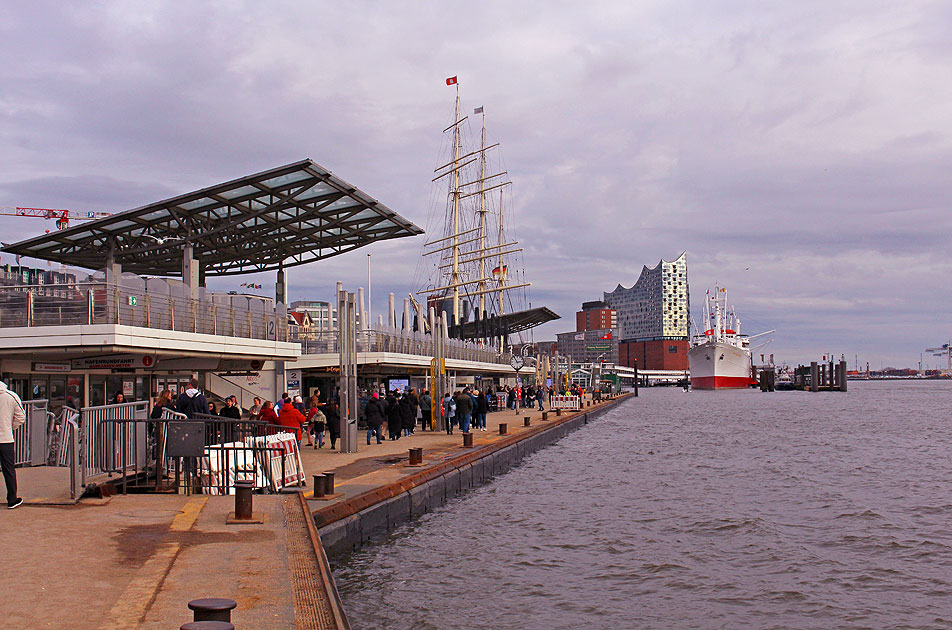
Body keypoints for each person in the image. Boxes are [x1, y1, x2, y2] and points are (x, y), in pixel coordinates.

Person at [0, 379, 26, 509]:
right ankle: (12, 499)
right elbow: (21, 417)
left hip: (6, 437)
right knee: (8, 469)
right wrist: (10, 428)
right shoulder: (11, 396)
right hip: (5, 439)